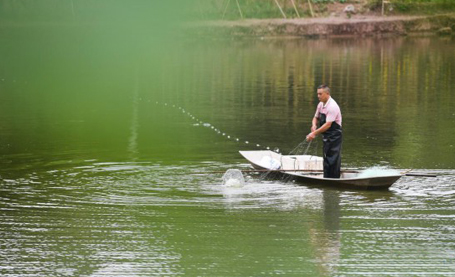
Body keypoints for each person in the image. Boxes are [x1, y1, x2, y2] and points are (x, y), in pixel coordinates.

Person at [306, 84, 342, 178]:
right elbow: (315, 117)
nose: (318, 96)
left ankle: (334, 178)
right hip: (326, 135)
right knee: (326, 157)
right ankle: (327, 177)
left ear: (327, 93)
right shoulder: (320, 104)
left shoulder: (332, 106)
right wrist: (314, 125)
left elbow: (328, 125)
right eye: (317, 94)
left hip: (335, 136)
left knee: (333, 158)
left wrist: (314, 133)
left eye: (320, 94)